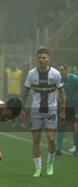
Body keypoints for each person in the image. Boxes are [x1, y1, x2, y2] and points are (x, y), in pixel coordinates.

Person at [20, 48, 65, 177]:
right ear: (37, 59)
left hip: (51, 109)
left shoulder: (55, 74)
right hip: (36, 110)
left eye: (44, 58)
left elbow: (61, 92)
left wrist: (63, 109)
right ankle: (38, 169)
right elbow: (25, 92)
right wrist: (22, 107)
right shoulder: (31, 74)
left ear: (48, 59)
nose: (42, 60)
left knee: (51, 139)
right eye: (39, 58)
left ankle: (50, 163)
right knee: (36, 139)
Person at [55, 64, 78, 157]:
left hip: (76, 104)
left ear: (65, 71)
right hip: (66, 105)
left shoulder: (75, 79)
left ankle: (76, 149)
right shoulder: (57, 81)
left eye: (61, 70)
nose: (60, 72)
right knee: (62, 124)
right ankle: (58, 149)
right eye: (58, 71)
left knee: (75, 126)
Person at [4, 60, 26, 128]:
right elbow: (5, 83)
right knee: (11, 109)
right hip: (10, 93)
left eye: (14, 63)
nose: (13, 64)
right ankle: (13, 122)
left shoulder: (20, 72)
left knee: (20, 108)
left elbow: (22, 83)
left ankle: (22, 122)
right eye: (11, 63)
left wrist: (22, 92)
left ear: (16, 64)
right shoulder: (7, 72)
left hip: (18, 93)